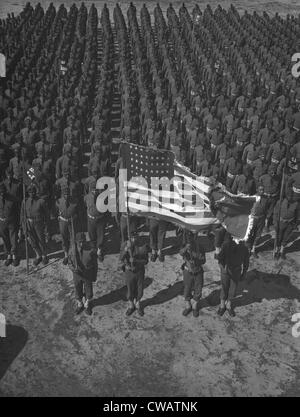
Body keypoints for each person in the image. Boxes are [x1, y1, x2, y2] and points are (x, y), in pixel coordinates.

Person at [217, 235, 249, 317]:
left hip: (236, 271)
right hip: (225, 271)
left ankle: (228, 305)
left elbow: (246, 262)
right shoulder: (226, 245)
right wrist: (222, 267)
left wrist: (244, 273)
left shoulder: (244, 248)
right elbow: (220, 259)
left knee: (233, 289)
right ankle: (222, 305)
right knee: (224, 287)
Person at [68, 232, 98, 316]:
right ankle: (80, 304)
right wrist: (73, 269)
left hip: (87, 274)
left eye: (83, 241)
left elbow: (95, 264)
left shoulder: (91, 250)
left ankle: (88, 305)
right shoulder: (72, 250)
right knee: (78, 289)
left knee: (88, 291)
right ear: (76, 242)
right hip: (77, 274)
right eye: (79, 242)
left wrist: (94, 276)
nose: (81, 243)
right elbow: (69, 262)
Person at [120, 232, 149, 316]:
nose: (133, 239)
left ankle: (138, 304)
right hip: (129, 272)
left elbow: (146, 261)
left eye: (135, 237)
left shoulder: (143, 246)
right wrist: (125, 250)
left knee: (139, 289)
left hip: (139, 271)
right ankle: (131, 305)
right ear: (129, 237)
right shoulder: (124, 245)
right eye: (132, 237)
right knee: (130, 289)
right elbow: (121, 258)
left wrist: (136, 261)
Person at [21, 183, 49, 266]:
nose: (31, 194)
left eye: (33, 192)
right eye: (30, 192)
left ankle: (44, 256)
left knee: (41, 240)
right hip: (29, 223)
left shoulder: (41, 201)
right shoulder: (25, 201)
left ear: (35, 192)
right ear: (28, 193)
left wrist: (46, 226)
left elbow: (46, 214)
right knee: (32, 240)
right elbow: (22, 215)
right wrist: (23, 226)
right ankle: (38, 255)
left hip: (38, 223)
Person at [180, 232, 206, 317]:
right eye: (189, 238)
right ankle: (188, 306)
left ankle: (195, 306)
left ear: (195, 237)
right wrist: (185, 249)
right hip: (188, 272)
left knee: (198, 290)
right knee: (187, 289)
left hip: (198, 272)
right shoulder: (185, 246)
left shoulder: (200, 247)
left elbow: (203, 260)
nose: (190, 239)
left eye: (192, 237)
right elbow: (181, 253)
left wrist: (196, 261)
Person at [273, 190, 300, 259]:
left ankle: (282, 252)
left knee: (285, 238)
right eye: (288, 196)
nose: (290, 197)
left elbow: (297, 215)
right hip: (280, 223)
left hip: (290, 224)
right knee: (278, 238)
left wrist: (295, 224)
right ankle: (276, 251)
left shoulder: (296, 204)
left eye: (292, 196)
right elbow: (275, 213)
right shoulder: (280, 202)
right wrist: (275, 223)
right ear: (286, 196)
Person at [84, 181, 107, 261]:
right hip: (91, 219)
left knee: (101, 236)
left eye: (96, 189)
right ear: (90, 189)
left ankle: (99, 252)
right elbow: (85, 206)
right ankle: (93, 250)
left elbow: (107, 209)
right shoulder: (87, 197)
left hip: (100, 219)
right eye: (93, 189)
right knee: (92, 235)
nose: (94, 191)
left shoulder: (103, 197)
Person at [0, 182, 20, 266]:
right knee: (5, 239)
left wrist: (18, 223)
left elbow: (17, 211)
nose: (2, 193)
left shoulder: (12, 198)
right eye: (0, 191)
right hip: (2, 222)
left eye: (3, 191)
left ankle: (15, 256)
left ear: (5, 190)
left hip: (12, 222)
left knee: (13, 239)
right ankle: (9, 256)